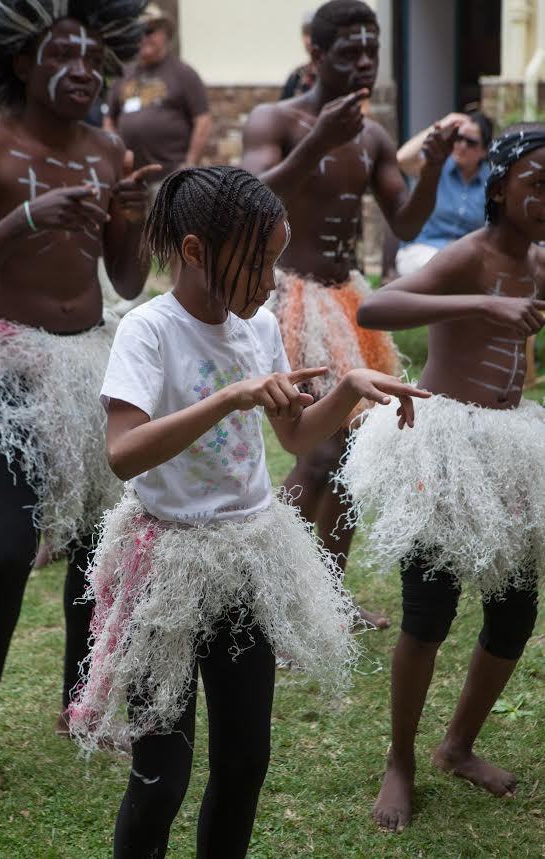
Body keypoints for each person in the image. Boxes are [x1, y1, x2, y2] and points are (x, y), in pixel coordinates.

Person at [68, 165, 428, 857]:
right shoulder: (150, 330)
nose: (271, 279)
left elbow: (293, 434)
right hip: (163, 569)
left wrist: (347, 387)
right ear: (197, 251)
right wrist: (229, 398)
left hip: (244, 560)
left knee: (244, 760)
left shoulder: (256, 327)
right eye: (258, 260)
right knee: (159, 777)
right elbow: (123, 452)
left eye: (275, 258)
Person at [0, 0, 161, 803]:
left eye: (95, 57)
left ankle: (78, 700)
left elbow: (124, 280)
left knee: (94, 543)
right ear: (23, 63)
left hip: (90, 358)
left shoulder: (108, 147)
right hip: (4, 362)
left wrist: (132, 219)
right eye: (65, 54)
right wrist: (28, 216)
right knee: (10, 547)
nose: (84, 69)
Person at [338, 125, 545, 833]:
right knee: (428, 611)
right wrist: (480, 305)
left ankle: (456, 745)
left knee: (515, 607)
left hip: (509, 447)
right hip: (443, 443)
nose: (544, 196)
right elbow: (376, 308)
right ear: (499, 188)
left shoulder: (538, 261)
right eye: (535, 181)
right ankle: (399, 758)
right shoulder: (468, 255)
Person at [241, 0, 457, 628]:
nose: (364, 60)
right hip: (293, 300)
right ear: (315, 53)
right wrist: (316, 140)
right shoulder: (273, 118)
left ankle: (327, 600)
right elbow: (252, 197)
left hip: (349, 303)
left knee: (351, 458)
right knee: (316, 456)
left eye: (373, 49)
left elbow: (407, 220)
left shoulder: (374, 134)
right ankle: (272, 603)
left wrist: (437, 167)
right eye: (349, 51)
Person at [106, 3, 212, 193]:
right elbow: (109, 119)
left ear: (165, 34)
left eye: (150, 31)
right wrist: (115, 153)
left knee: (168, 223)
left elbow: (202, 120)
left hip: (170, 178)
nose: (144, 38)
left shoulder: (183, 73)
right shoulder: (124, 74)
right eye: (137, 33)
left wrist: (189, 163)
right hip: (130, 177)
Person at [394, 111, 493, 276]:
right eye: (458, 138)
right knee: (441, 271)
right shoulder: (435, 164)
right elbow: (402, 159)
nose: (461, 145)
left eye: (470, 142)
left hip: (465, 258)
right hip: (422, 250)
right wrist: (443, 124)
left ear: (484, 150)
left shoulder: (491, 182)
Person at [280, 11, 317, 100]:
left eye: (313, 33)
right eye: (305, 33)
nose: (308, 40)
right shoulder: (297, 76)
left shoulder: (333, 75)